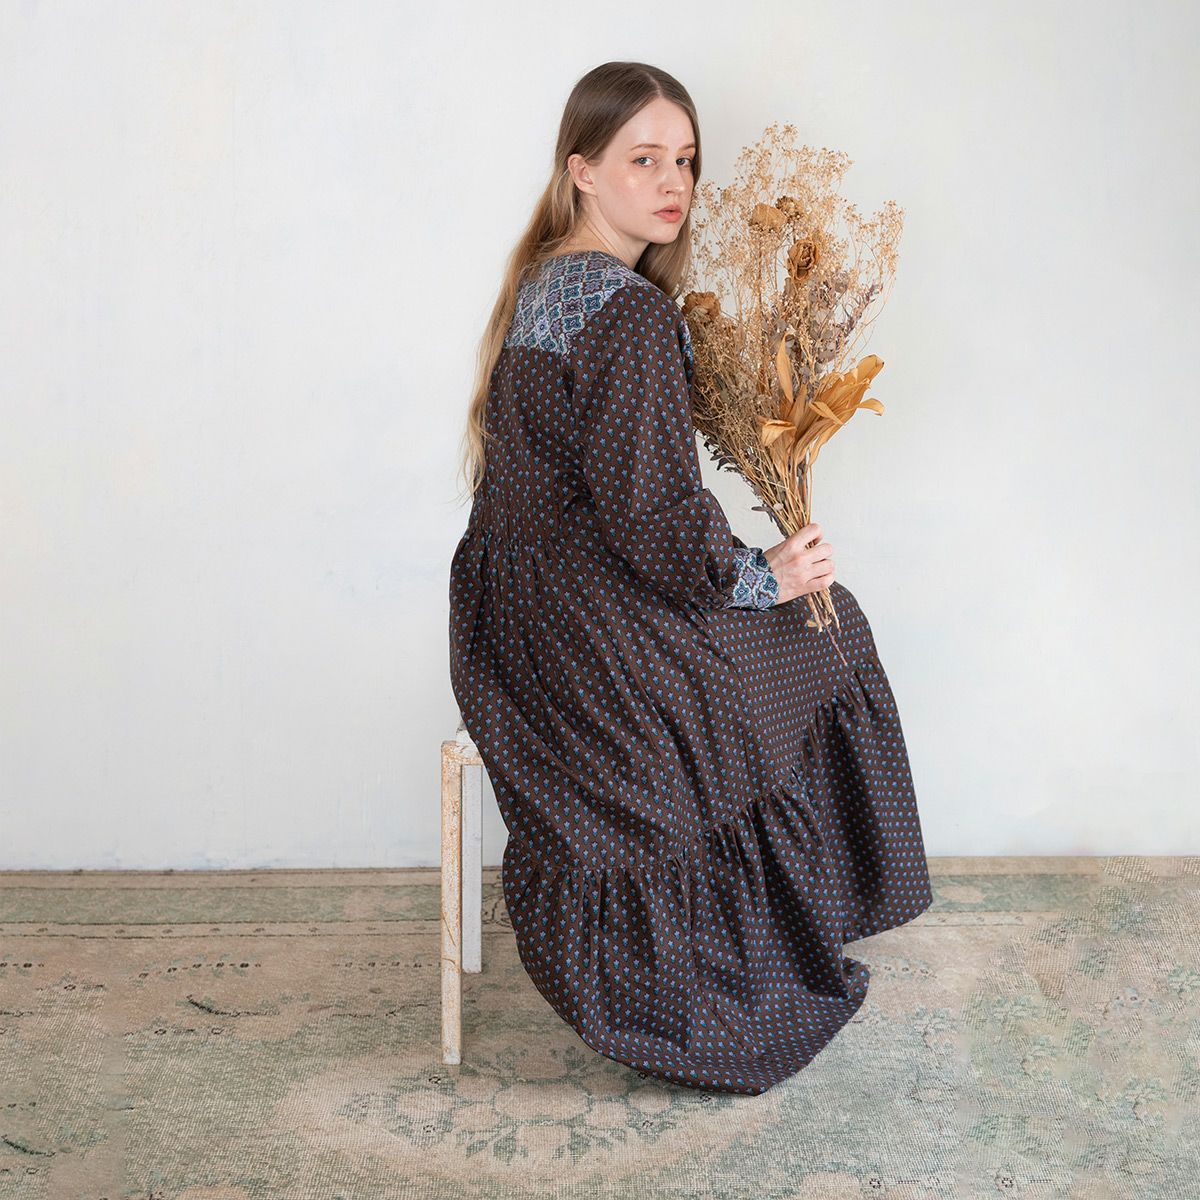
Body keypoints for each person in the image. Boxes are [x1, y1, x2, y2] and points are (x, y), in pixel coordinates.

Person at [447, 61, 933, 1095]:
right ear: (582, 171)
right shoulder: (627, 314)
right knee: (829, 621)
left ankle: (784, 915)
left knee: (793, 628)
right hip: (588, 630)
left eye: (686, 160)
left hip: (507, 621)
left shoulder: (546, 285)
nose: (674, 183)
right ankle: (786, 934)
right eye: (644, 159)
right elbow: (655, 523)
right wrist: (761, 574)